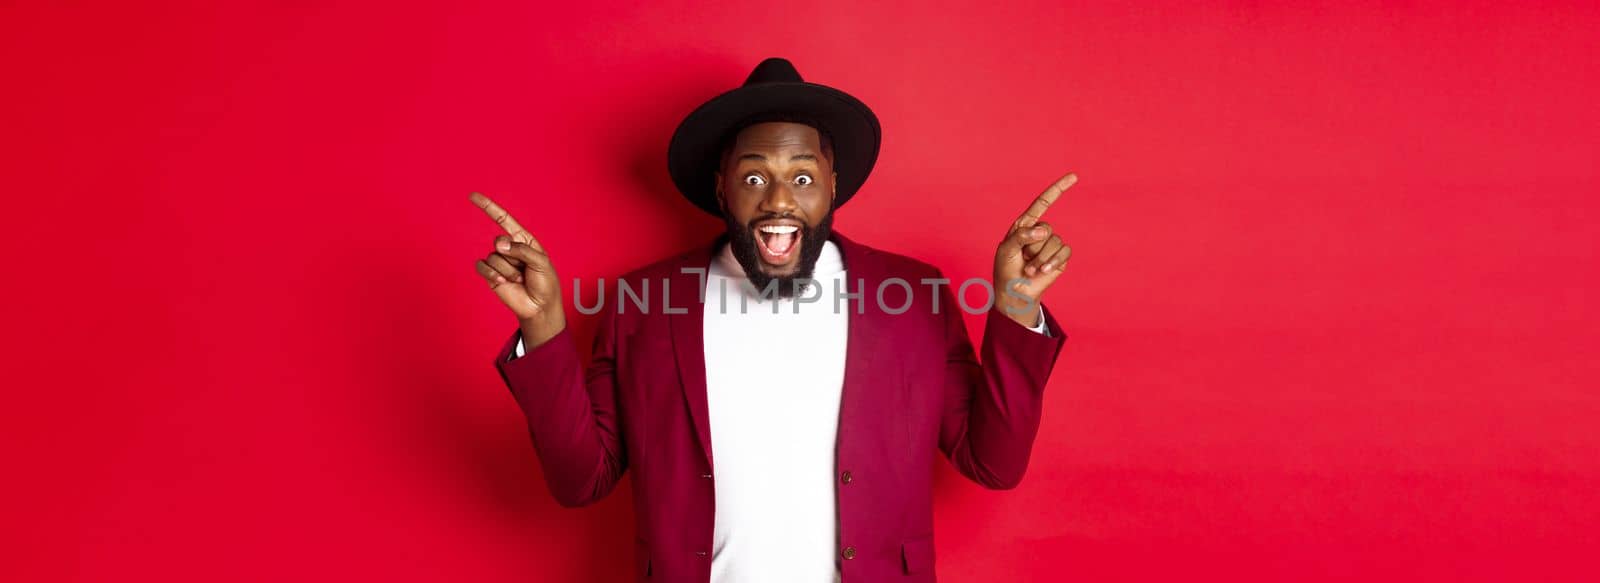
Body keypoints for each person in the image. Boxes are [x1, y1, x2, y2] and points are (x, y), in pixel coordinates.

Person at [470, 57, 1075, 583]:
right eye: (754, 176)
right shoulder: (644, 303)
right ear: (722, 188)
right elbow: (582, 480)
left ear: (832, 187)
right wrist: (543, 325)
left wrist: (1017, 305)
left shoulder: (913, 296)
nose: (779, 200)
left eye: (803, 177)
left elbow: (993, 462)